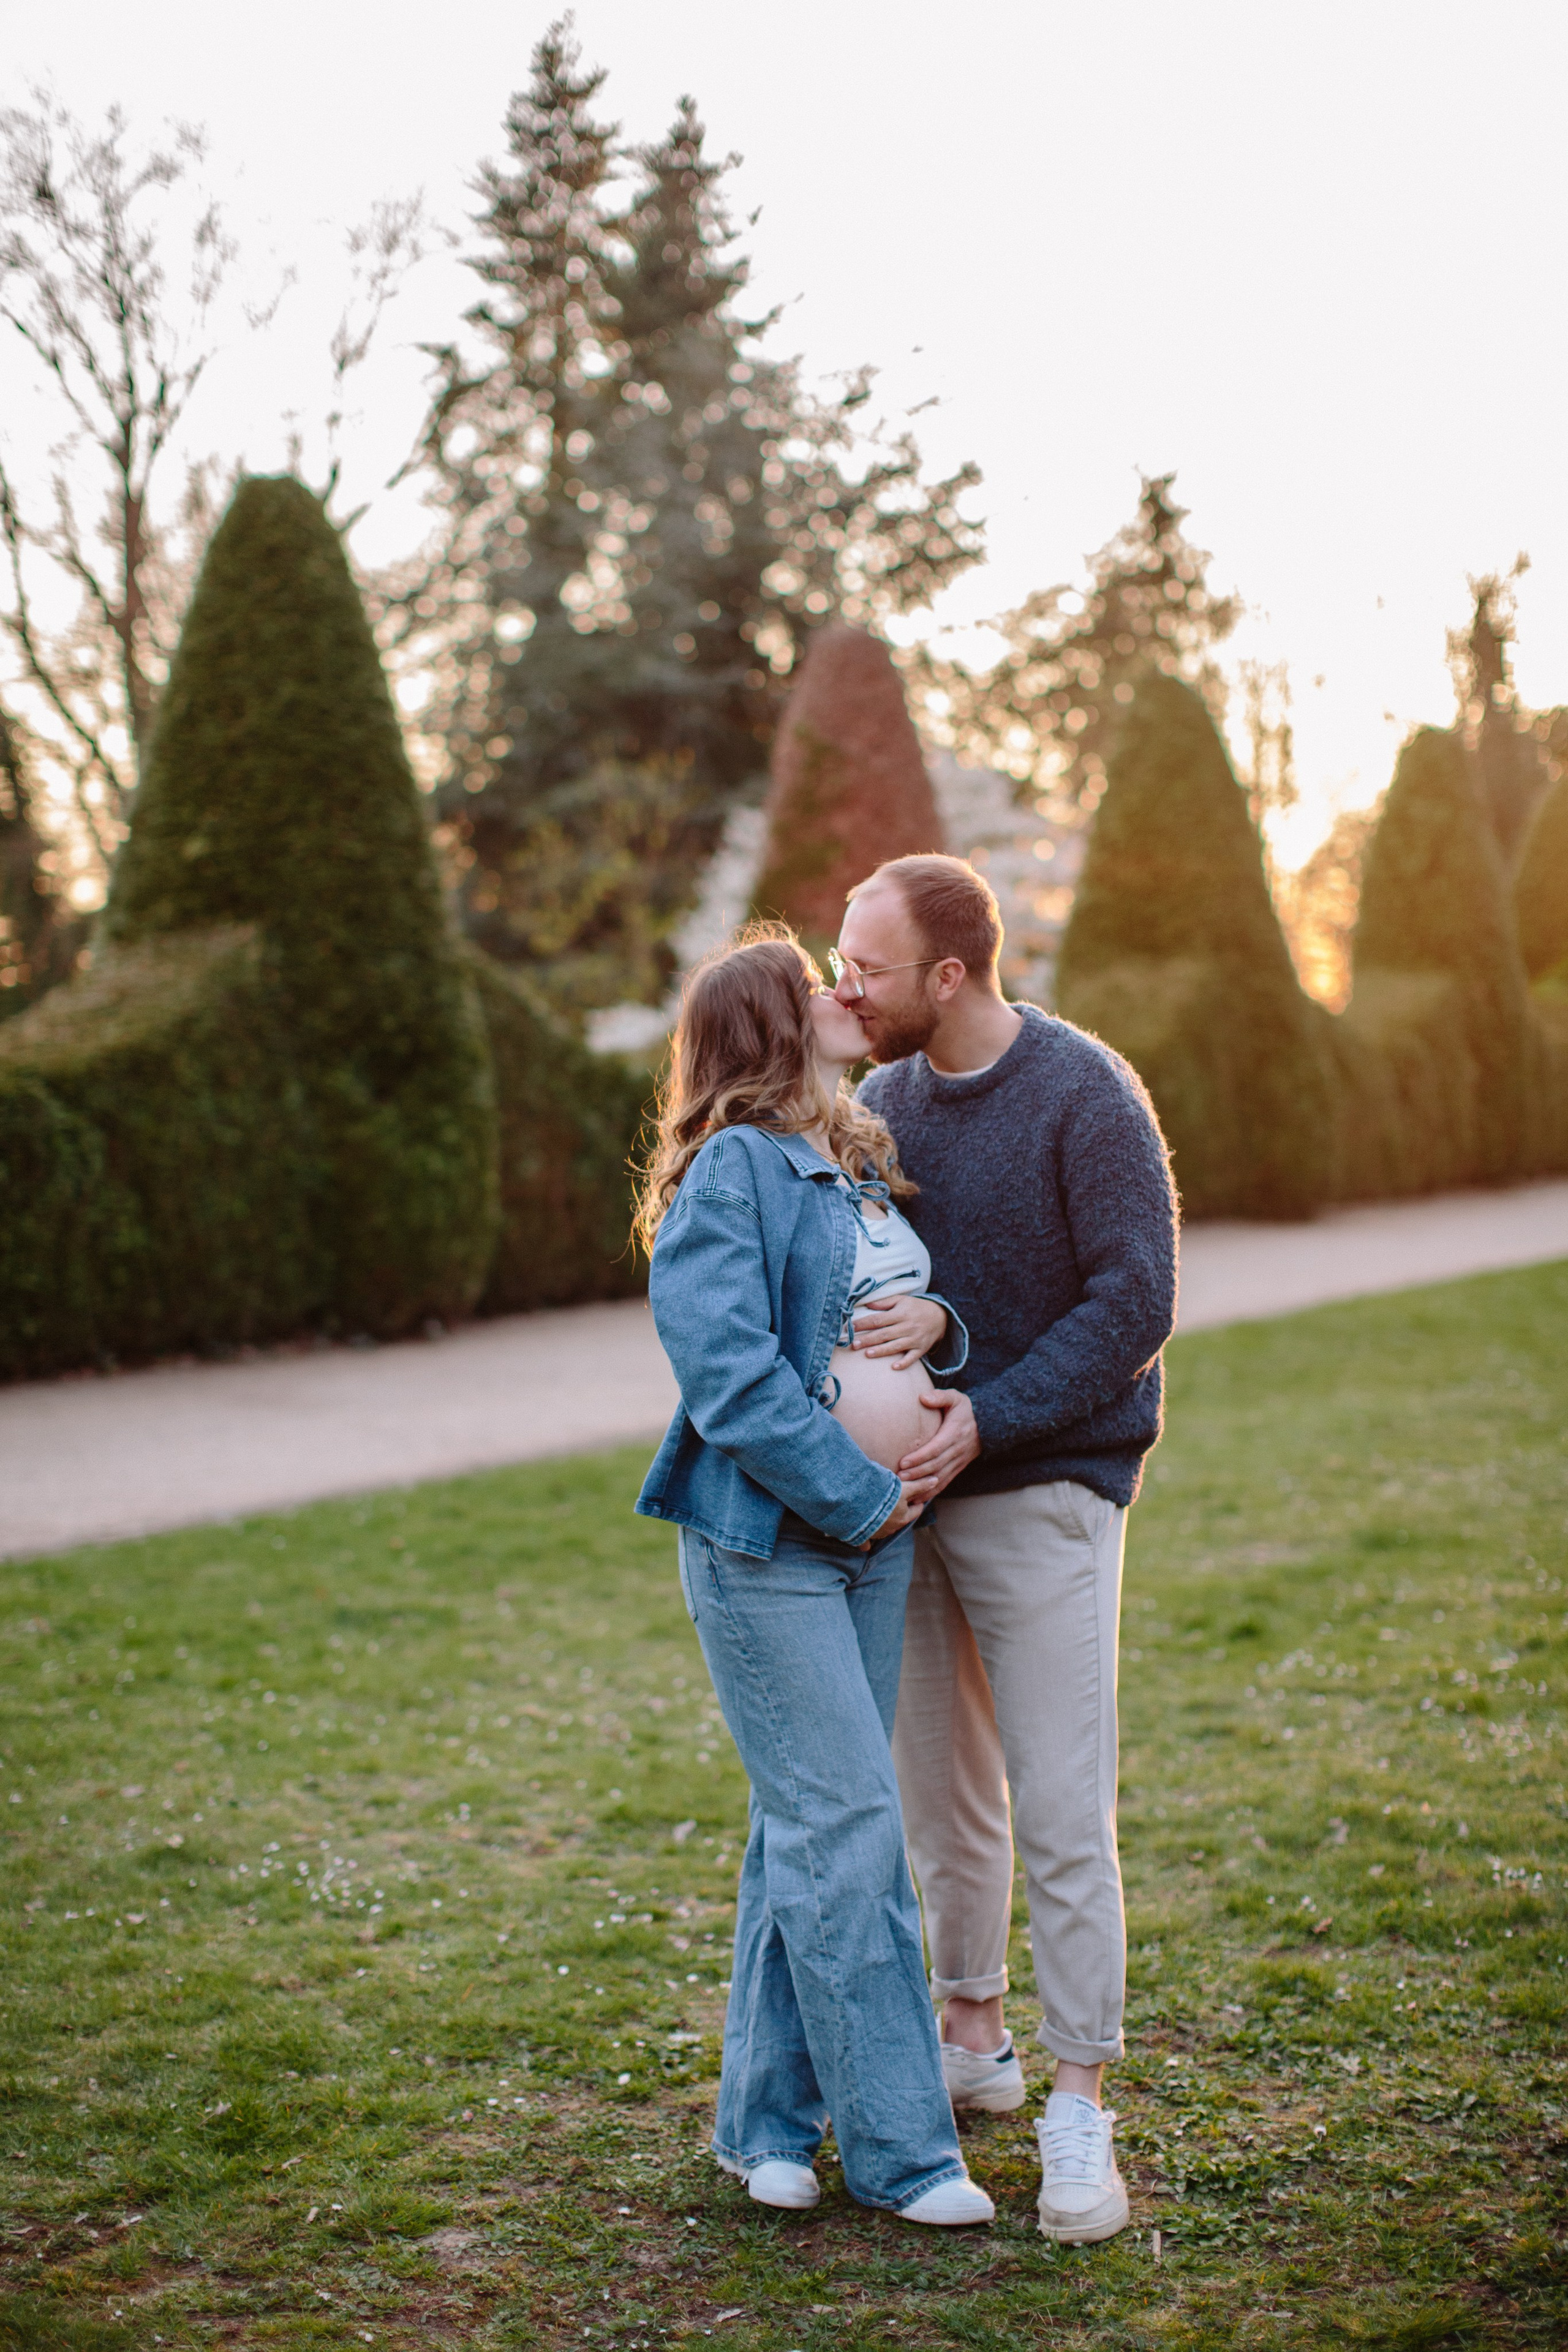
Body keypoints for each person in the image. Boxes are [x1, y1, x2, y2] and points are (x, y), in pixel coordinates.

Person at [842, 853, 1178, 2245]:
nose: (841, 985)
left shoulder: (1081, 1093)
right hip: (910, 1509)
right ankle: (969, 2037)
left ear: (950, 974)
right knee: (945, 1802)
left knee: (1058, 1809)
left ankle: (1080, 2102)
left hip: (1044, 1493)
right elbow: (873, 1280)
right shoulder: (873, 1101)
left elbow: (1135, 1300)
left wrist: (985, 1412)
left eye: (865, 965)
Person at [634, 927, 994, 2226]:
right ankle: (905, 2154)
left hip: (870, 1550)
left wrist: (945, 1353)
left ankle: (765, 2123)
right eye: (815, 984)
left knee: (800, 1826)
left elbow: (893, 1318)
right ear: (768, 1030)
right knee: (849, 1829)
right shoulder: (730, 1172)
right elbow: (727, 1380)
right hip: (771, 1548)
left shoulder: (850, 1162)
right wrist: (858, 1496)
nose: (845, 992)